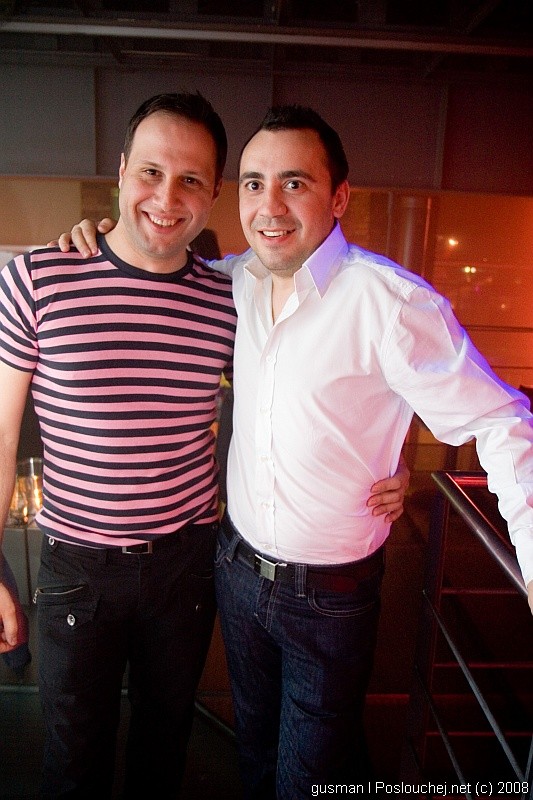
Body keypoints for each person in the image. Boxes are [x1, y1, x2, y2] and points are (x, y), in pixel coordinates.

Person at [59, 103, 533, 800]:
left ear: (338, 197)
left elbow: (500, 420)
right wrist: (100, 236)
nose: (270, 205)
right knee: (254, 752)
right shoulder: (231, 282)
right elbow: (153, 258)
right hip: (235, 571)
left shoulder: (389, 302)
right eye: (254, 183)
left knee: (308, 776)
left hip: (330, 594)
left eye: (295, 183)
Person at [0, 96, 408, 799]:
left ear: (214, 193)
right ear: (120, 172)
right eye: (150, 172)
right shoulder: (37, 279)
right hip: (76, 568)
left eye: (190, 180)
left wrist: (391, 456)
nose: (166, 198)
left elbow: (310, 380)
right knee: (72, 762)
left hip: (187, 567)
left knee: (164, 751)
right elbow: (2, 435)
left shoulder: (227, 295)